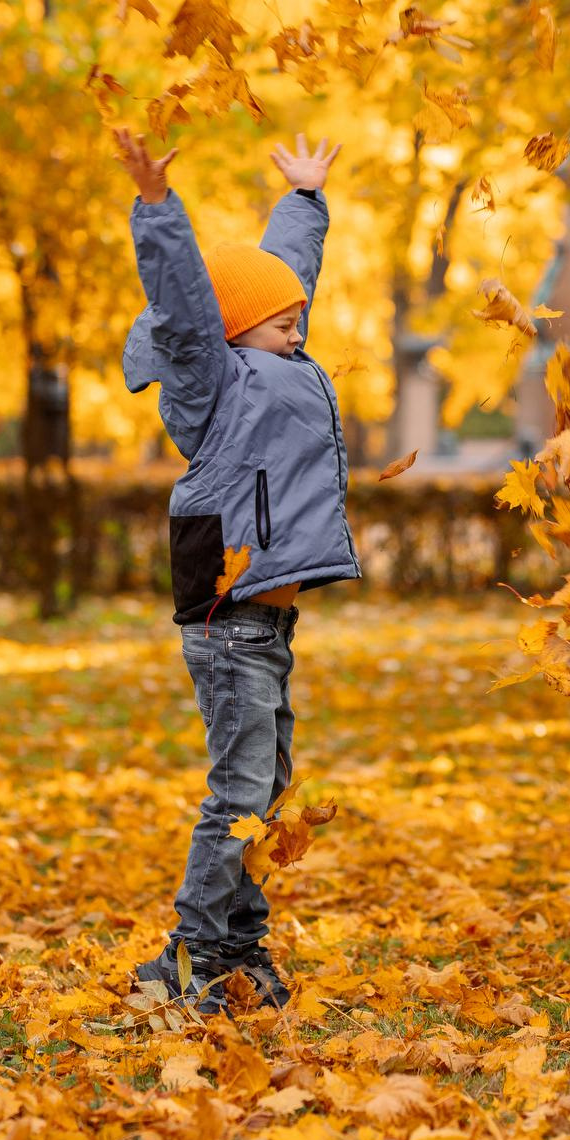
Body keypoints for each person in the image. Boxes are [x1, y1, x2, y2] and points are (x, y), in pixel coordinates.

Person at [115, 129, 355, 1016]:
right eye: (281, 318)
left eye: (298, 316)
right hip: (230, 614)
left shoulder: (277, 355)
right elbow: (186, 297)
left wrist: (304, 199)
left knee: (266, 783)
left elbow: (277, 275)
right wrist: (156, 207)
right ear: (225, 331)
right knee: (241, 789)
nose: (299, 324)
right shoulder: (210, 377)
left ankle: (233, 941)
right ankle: (199, 954)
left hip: (269, 623)